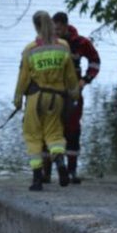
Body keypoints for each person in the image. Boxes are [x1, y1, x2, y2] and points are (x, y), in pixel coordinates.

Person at [13, 10, 80, 191]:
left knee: (33, 136)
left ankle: (37, 179)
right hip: (57, 98)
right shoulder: (63, 46)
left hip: (36, 98)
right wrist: (74, 95)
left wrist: (18, 99)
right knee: (55, 134)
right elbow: (70, 77)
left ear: (36, 26)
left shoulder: (30, 49)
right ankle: (60, 162)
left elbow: (23, 78)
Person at [49, 12, 101, 184]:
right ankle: (46, 171)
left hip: (72, 92)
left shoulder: (80, 42)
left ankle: (71, 170)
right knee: (50, 128)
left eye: (58, 29)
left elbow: (95, 61)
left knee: (72, 129)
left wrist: (85, 80)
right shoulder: (47, 41)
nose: (55, 32)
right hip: (52, 91)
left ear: (65, 26)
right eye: (52, 28)